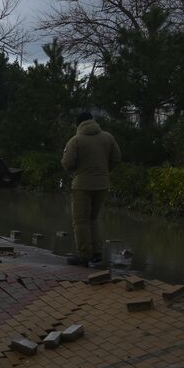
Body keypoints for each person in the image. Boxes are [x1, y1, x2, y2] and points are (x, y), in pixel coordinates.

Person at [61, 111, 121, 267]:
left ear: (78, 124)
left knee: (80, 222)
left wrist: (75, 171)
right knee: (94, 219)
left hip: (82, 185)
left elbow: (67, 163)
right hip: (102, 185)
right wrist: (104, 171)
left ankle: (84, 256)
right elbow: (117, 158)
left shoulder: (75, 141)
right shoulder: (108, 138)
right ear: (93, 121)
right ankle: (97, 254)